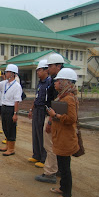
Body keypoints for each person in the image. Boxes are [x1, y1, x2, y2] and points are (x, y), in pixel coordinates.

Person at [46, 68, 79, 197]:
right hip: (60, 136)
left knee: (65, 168)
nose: (55, 83)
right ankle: (62, 188)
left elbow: (72, 118)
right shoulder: (62, 96)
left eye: (58, 81)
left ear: (65, 82)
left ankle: (67, 194)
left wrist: (55, 116)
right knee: (61, 165)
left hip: (65, 138)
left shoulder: (69, 98)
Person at [35, 54, 64, 184]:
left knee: (50, 145)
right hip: (55, 116)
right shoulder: (57, 81)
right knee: (55, 145)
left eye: (50, 66)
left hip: (53, 117)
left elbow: (57, 104)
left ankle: (50, 173)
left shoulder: (58, 83)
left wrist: (51, 121)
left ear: (58, 66)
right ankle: (58, 169)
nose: (48, 69)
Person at [28, 60, 51, 168]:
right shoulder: (40, 83)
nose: (37, 72)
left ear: (46, 70)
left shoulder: (49, 83)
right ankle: (36, 155)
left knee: (42, 135)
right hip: (37, 109)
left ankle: (43, 158)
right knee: (35, 133)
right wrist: (31, 109)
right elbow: (36, 97)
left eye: (39, 70)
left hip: (43, 110)